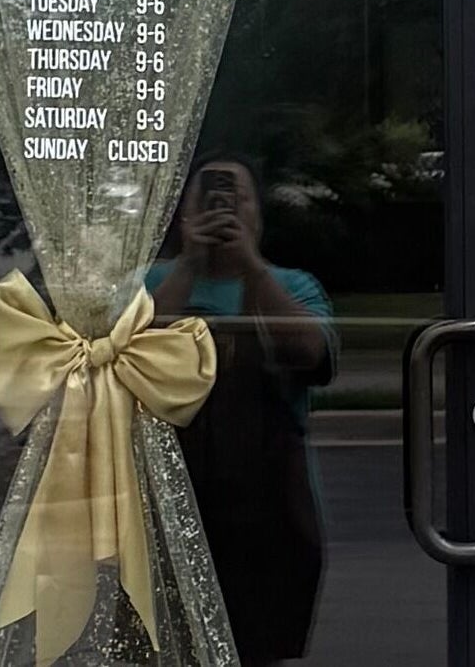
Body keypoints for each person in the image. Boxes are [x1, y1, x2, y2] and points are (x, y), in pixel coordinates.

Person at [147, 157, 337, 667]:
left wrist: (250, 268)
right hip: (165, 508)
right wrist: (189, 263)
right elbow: (127, 358)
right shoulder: (149, 285)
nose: (221, 208)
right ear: (184, 212)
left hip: (270, 519)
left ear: (258, 215)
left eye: (236, 198)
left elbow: (309, 353)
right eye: (206, 197)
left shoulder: (293, 286)